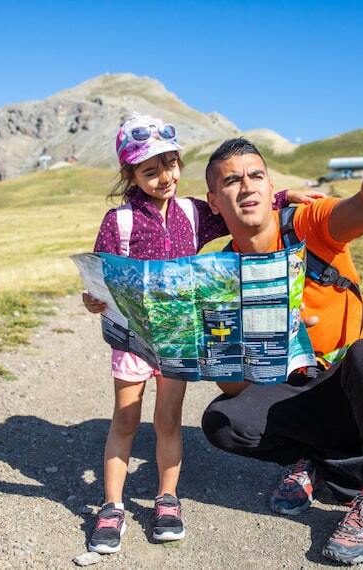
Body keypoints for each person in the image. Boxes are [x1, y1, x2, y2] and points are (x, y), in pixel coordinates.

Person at [82, 113, 322, 554]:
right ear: (130, 174)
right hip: (134, 340)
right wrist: (93, 300)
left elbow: (232, 203)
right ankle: (112, 506)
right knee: (125, 420)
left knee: (168, 420)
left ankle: (166, 500)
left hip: (179, 340)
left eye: (170, 165)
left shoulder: (194, 211)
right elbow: (101, 278)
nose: (164, 178)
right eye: (150, 172)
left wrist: (285, 195)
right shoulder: (118, 222)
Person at [200, 127, 363, 565]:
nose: (246, 186)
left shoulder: (306, 223)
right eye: (230, 180)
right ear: (214, 201)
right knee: (222, 421)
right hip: (312, 394)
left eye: (255, 176)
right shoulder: (221, 277)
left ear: (270, 188)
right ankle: (313, 461)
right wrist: (235, 348)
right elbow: (235, 390)